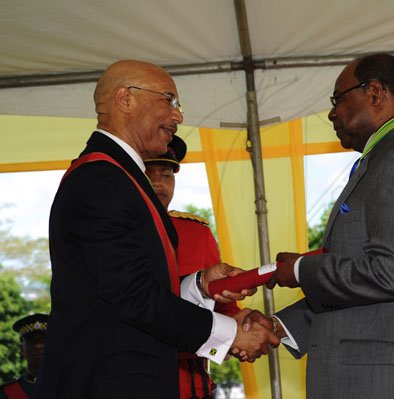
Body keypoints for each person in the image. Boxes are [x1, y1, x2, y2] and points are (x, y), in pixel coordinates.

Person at [34, 60, 278, 399]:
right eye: (170, 100)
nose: (178, 116)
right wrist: (230, 333)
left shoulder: (120, 177)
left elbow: (119, 291)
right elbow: (134, 298)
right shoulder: (101, 179)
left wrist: (199, 286)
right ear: (126, 100)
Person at [244, 53, 394, 398]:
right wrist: (280, 326)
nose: (333, 112)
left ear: (375, 93)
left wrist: (303, 270)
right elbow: (368, 291)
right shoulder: (387, 160)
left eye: (338, 99)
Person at [144, 135, 240, 399]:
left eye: (166, 174)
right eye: (148, 173)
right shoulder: (117, 231)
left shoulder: (196, 232)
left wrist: (245, 326)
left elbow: (224, 305)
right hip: (135, 374)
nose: (158, 182)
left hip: (191, 382)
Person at [1, 314, 48, 399]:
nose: (38, 346)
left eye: (44, 341)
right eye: (32, 342)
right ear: (22, 349)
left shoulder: (69, 387)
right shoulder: (5, 393)